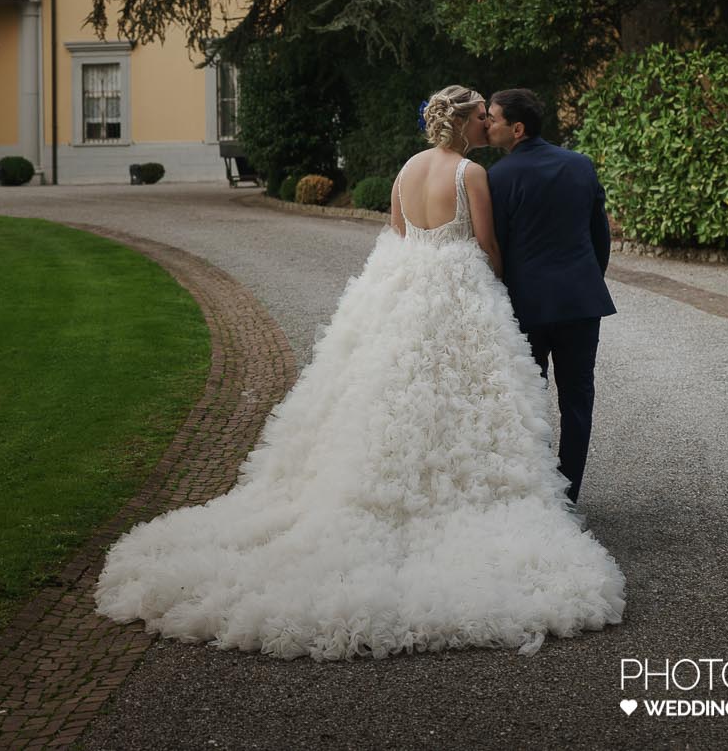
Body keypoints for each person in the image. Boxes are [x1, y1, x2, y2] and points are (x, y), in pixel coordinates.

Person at [94, 85, 625, 660]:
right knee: (490, 396)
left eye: (489, 117)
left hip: (406, 292)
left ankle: (393, 484)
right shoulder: (474, 174)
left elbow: (398, 237)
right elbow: (489, 244)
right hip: (473, 293)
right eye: (480, 117)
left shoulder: (407, 171)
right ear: (464, 123)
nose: (485, 125)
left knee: (396, 392)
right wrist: (493, 286)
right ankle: (519, 493)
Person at [485, 88, 616, 505]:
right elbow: (600, 236)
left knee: (530, 400)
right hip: (580, 302)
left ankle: (541, 493)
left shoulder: (497, 177)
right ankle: (569, 495)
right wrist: (586, 279)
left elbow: (496, 247)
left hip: (527, 307)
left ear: (517, 128)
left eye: (493, 118)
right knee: (578, 401)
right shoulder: (580, 164)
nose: (487, 125)